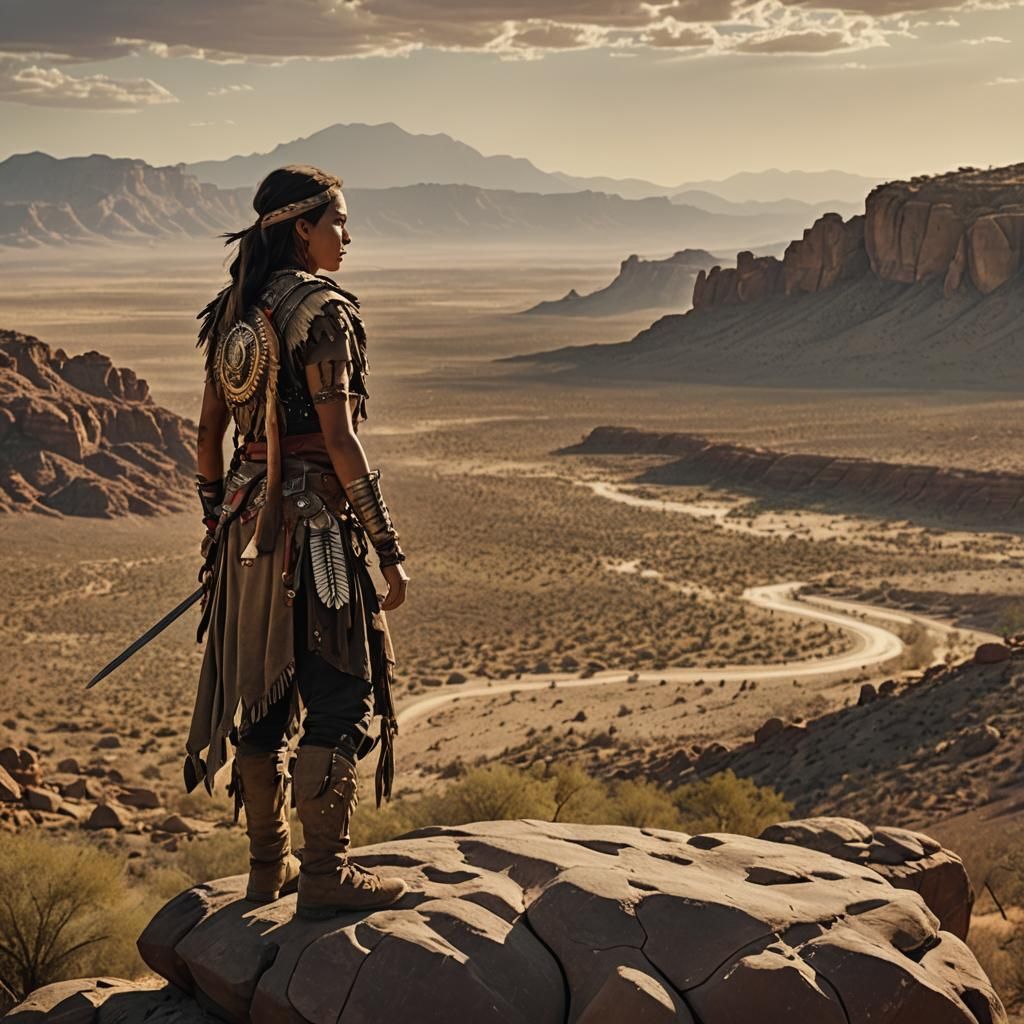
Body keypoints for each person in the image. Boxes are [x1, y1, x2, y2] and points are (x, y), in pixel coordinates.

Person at [184, 164, 410, 920]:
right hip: (313, 535)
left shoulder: (233, 312)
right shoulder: (322, 313)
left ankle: (263, 869)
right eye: (338, 222)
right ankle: (323, 876)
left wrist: (218, 522)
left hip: (246, 536)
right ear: (301, 227)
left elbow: (208, 438)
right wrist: (386, 545)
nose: (348, 236)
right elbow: (341, 441)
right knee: (342, 697)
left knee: (263, 698)